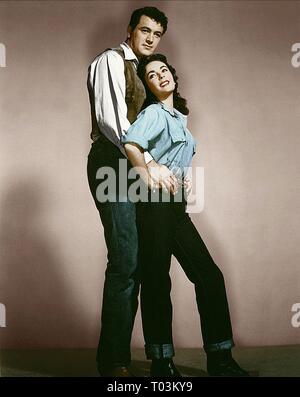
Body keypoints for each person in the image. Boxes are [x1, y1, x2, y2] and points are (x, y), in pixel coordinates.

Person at [122, 54, 250, 377]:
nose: (161, 75)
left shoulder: (179, 117)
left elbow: (174, 154)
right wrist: (152, 172)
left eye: (164, 70)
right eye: (152, 75)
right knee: (156, 279)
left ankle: (220, 359)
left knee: (209, 275)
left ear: (173, 76)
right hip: (153, 203)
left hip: (175, 205)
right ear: (148, 86)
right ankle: (161, 363)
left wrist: (180, 177)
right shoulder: (152, 112)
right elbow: (131, 144)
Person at [86, 7, 177, 377]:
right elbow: (112, 121)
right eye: (145, 30)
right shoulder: (110, 60)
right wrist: (151, 163)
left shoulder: (145, 70)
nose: (151, 38)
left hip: (139, 168)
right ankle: (113, 363)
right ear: (130, 30)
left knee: (140, 262)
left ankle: (134, 355)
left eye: (158, 33)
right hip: (113, 163)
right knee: (125, 259)